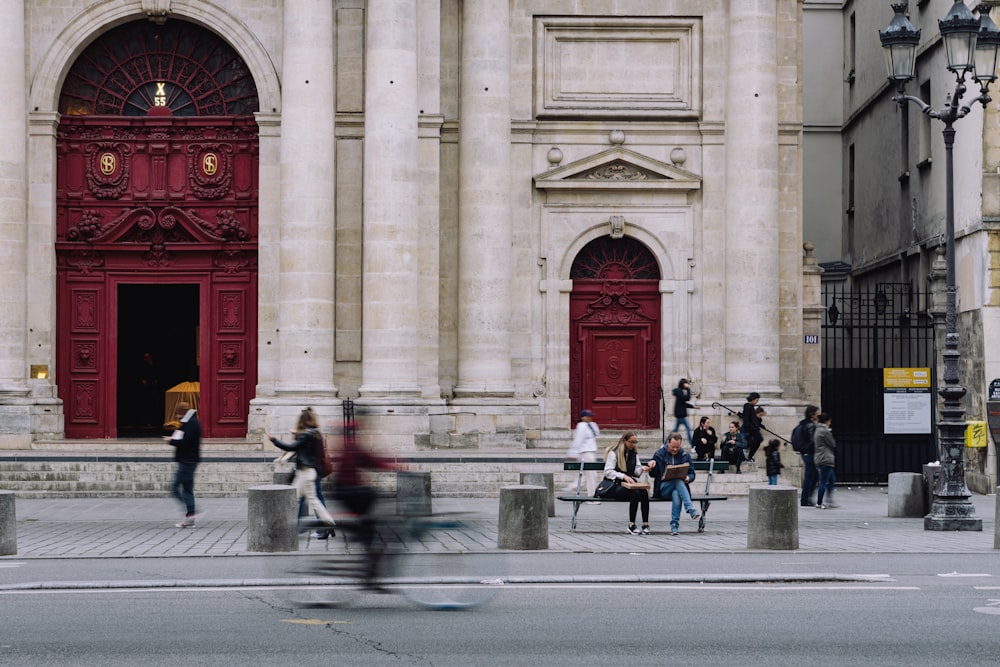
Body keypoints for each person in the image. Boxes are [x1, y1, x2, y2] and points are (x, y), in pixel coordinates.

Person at [329, 423, 399, 587]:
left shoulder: (348, 446)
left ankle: (369, 561)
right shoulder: (352, 447)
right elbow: (371, 461)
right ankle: (370, 573)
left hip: (349, 492)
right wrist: (397, 467)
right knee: (373, 532)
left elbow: (368, 462)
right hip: (351, 493)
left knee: (371, 522)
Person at [268, 408, 337, 526]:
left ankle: (285, 524)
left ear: (302, 421)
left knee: (301, 499)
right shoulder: (316, 433)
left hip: (305, 472)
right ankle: (327, 522)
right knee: (307, 499)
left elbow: (291, 447)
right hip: (309, 471)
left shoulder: (305, 435)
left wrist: (274, 440)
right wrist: (298, 435)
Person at [648, 432, 700, 536]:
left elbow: (692, 473)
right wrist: (652, 466)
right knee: (677, 481)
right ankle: (690, 508)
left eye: (677, 447)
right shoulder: (659, 454)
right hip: (663, 488)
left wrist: (688, 478)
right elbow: (653, 475)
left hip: (678, 489)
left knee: (677, 492)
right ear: (668, 443)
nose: (675, 449)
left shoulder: (685, 455)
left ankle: (674, 526)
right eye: (673, 447)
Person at [601, 432, 652, 535]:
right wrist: (623, 476)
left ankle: (645, 524)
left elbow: (636, 473)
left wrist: (642, 468)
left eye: (635, 442)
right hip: (616, 485)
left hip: (629, 483)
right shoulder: (614, 453)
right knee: (636, 493)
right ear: (625, 441)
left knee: (643, 492)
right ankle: (631, 524)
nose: (633, 444)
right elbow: (608, 472)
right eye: (631, 442)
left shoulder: (634, 453)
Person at [164, 401, 201, 528]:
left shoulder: (190, 424)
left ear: (182, 413)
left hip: (187, 461)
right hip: (189, 460)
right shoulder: (189, 422)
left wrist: (171, 441)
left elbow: (185, 442)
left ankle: (191, 513)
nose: (177, 416)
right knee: (187, 490)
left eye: (178, 414)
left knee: (174, 487)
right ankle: (190, 518)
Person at [565, 409, 600, 501]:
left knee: (585, 474)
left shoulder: (592, 425)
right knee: (591, 474)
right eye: (588, 416)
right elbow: (578, 440)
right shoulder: (581, 426)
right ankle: (592, 496)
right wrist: (572, 453)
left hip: (591, 452)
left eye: (590, 416)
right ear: (583, 417)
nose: (590, 418)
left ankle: (572, 487)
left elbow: (596, 433)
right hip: (586, 452)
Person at [795, 405, 820, 506]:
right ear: (812, 414)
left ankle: (806, 498)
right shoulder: (810, 425)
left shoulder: (803, 423)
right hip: (809, 453)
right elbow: (813, 440)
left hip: (805, 452)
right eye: (817, 413)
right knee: (811, 476)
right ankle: (806, 499)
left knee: (811, 476)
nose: (819, 415)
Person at [814, 413, 837, 508]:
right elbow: (832, 443)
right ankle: (819, 502)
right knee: (823, 482)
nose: (830, 423)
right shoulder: (824, 431)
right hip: (825, 458)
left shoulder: (818, 429)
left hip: (821, 457)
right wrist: (829, 432)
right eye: (829, 421)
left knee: (832, 480)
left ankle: (828, 500)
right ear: (826, 421)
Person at [671, 378, 696, 444]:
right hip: (680, 415)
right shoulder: (679, 392)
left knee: (675, 430)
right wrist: (688, 389)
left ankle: (665, 443)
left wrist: (693, 407)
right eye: (686, 383)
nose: (687, 384)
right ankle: (692, 446)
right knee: (688, 429)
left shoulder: (680, 392)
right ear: (683, 384)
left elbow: (683, 403)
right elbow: (687, 398)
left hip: (680, 415)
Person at [742, 392, 764, 462]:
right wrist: (747, 430)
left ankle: (749, 455)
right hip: (751, 428)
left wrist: (760, 425)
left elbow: (753, 419)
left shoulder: (750, 407)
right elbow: (747, 419)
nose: (757, 402)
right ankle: (749, 455)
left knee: (758, 439)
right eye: (756, 400)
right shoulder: (748, 407)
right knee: (759, 439)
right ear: (753, 399)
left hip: (754, 427)